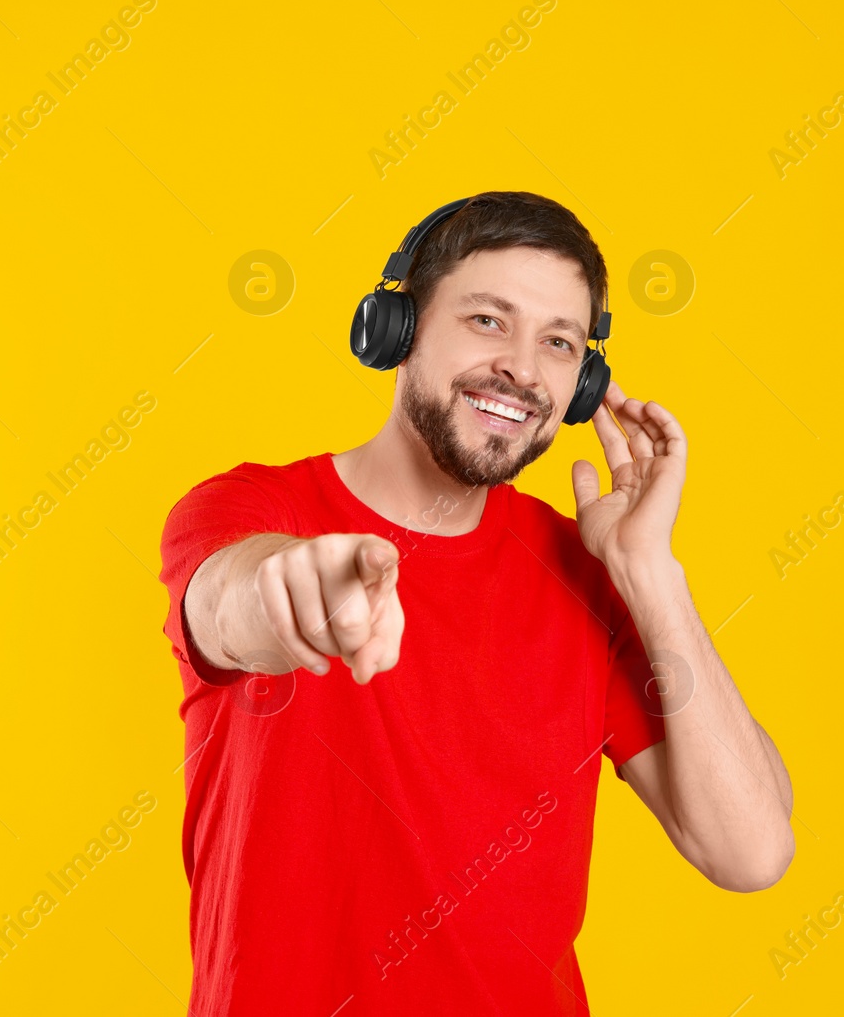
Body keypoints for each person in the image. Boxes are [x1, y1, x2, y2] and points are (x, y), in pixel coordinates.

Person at [158, 191, 794, 1015]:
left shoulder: (589, 574)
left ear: (582, 384)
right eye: (489, 321)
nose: (524, 370)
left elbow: (750, 850)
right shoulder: (248, 512)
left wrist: (649, 572)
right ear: (397, 327)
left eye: (558, 342)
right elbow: (227, 604)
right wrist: (292, 590)